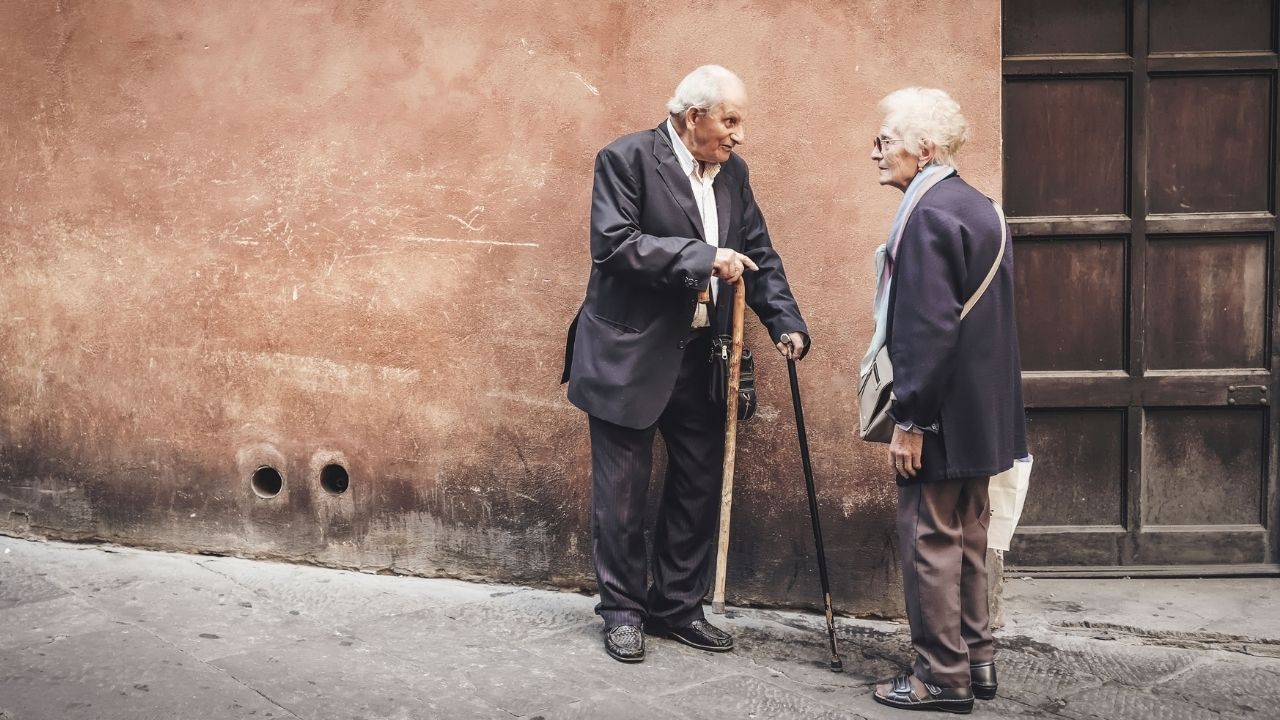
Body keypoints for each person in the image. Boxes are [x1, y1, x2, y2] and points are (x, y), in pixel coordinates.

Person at [561, 65, 810, 664]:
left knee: (697, 487)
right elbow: (615, 245)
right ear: (692, 116)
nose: (738, 134)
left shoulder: (734, 175)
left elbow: (758, 253)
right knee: (620, 496)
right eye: (730, 120)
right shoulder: (625, 159)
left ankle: (677, 606)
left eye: (739, 122)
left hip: (703, 357)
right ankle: (622, 611)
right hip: (628, 355)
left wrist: (786, 322)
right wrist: (703, 257)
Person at [862, 87, 1027, 713]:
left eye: (886, 139)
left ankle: (940, 676)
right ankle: (977, 661)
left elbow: (928, 328)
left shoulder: (927, 213)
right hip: (980, 414)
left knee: (931, 540)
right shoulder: (980, 206)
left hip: (941, 416)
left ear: (923, 148)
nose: (876, 150)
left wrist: (912, 420)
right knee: (969, 537)